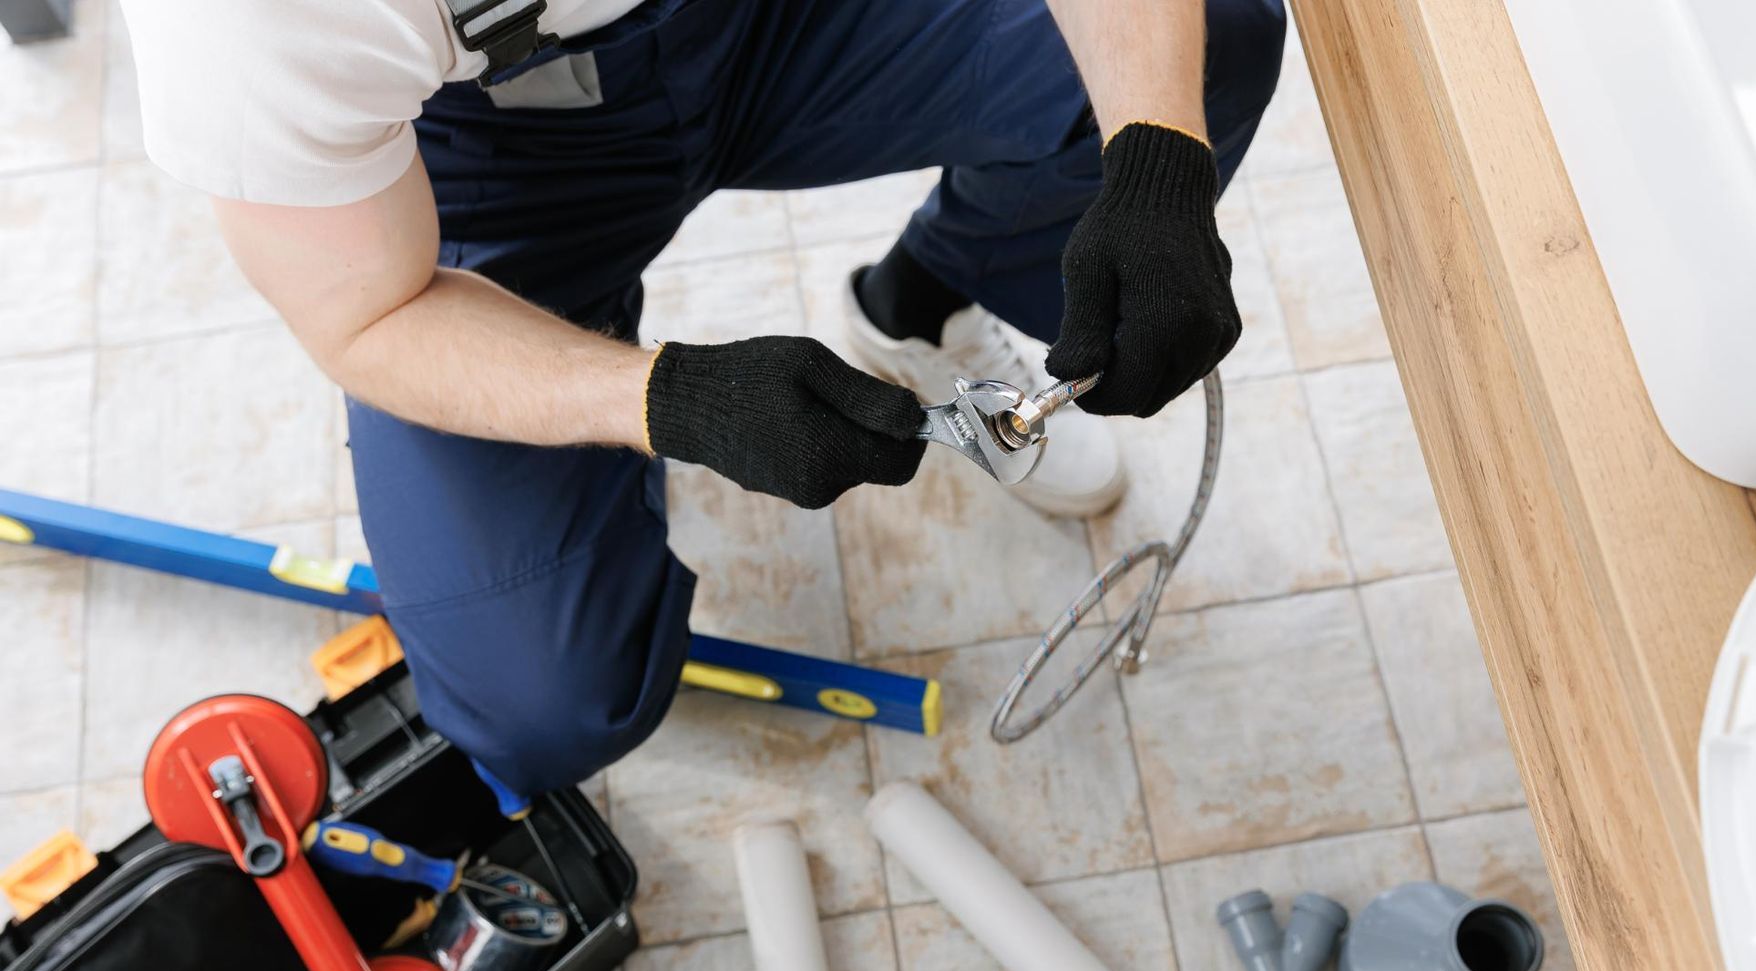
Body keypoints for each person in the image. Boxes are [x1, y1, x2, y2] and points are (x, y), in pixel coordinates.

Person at [120, 0, 1285, 795]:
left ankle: (918, 304)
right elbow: (369, 315)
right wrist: (670, 400)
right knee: (542, 694)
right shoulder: (246, 24)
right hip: (492, 146)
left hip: (776, 26)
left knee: (1211, 37)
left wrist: (1156, 156)